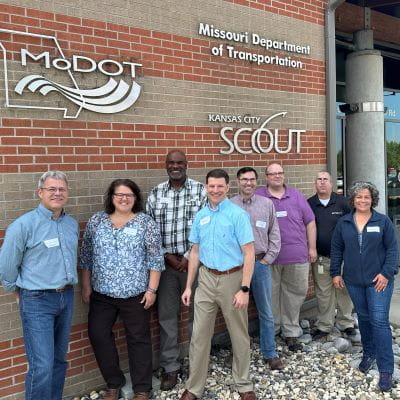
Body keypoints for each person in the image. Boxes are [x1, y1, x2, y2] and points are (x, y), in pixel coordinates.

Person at [80, 179, 164, 400]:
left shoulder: (146, 223)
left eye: (129, 195)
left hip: (135, 294)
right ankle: (113, 382)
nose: (124, 198)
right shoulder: (97, 221)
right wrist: (86, 285)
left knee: (138, 339)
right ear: (111, 197)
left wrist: (151, 290)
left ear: (136, 198)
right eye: (119, 194)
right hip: (102, 294)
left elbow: (155, 259)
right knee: (98, 334)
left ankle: (142, 388)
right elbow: (86, 255)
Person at [0, 171, 79, 400]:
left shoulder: (71, 224)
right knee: (42, 365)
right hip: (36, 301)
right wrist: (16, 290)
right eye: (51, 189)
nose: (57, 193)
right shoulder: (23, 225)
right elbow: (6, 264)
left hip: (66, 297)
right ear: (40, 192)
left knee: (59, 360)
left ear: (67, 193)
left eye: (61, 189)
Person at [180, 168, 256, 400]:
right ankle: (194, 388)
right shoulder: (200, 215)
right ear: (206, 187)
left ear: (227, 187)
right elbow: (194, 252)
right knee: (199, 336)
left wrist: (244, 289)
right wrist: (188, 286)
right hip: (206, 280)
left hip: (232, 279)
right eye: (211, 186)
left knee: (238, 334)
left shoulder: (237, 215)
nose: (215, 190)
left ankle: (244, 384)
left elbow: (249, 253)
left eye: (219, 186)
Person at [146, 150, 206, 390]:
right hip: (166, 267)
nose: (175, 166)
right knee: (167, 318)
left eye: (180, 162)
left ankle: (197, 365)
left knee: (198, 317)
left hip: (197, 265)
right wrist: (168, 256)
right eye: (171, 162)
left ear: (186, 164)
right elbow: (149, 231)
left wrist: (187, 257)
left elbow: (206, 227)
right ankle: (171, 367)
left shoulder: (201, 191)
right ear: (165, 165)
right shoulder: (156, 193)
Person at [330, 181, 398, 392]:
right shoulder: (344, 223)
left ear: (372, 199)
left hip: (379, 281)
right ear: (353, 199)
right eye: (358, 197)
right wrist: (335, 272)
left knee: (378, 321)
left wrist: (386, 273)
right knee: (365, 318)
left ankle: (386, 368)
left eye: (366, 197)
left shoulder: (382, 221)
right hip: (353, 280)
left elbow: (393, 250)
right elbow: (336, 249)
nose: (362, 200)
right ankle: (369, 353)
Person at [256, 162, 317, 351]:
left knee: (295, 295)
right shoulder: (258, 196)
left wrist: (312, 248)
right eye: (272, 173)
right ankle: (272, 331)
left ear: (284, 175)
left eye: (279, 173)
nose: (276, 176)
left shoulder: (296, 196)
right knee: (270, 296)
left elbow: (310, 222)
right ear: (266, 177)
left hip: (297, 257)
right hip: (268, 259)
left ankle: (291, 332)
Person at [231, 167, 283, 370]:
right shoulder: (229, 205)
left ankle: (270, 352)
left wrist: (267, 260)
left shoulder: (266, 204)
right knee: (236, 312)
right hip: (236, 267)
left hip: (260, 265)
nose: (248, 183)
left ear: (257, 182)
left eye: (252, 179)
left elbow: (275, 234)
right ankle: (239, 355)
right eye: (244, 179)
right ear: (237, 182)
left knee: (266, 311)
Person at [307, 171, 355, 339]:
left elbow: (354, 226)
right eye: (318, 179)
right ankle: (325, 325)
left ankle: (346, 322)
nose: (322, 182)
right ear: (315, 184)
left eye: (325, 179)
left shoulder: (343, 203)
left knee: (343, 290)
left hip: (343, 258)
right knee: (323, 292)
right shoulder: (309, 204)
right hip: (321, 257)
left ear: (332, 183)